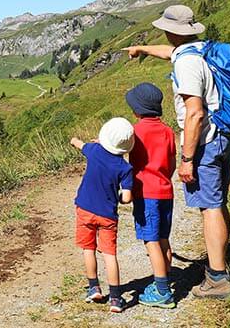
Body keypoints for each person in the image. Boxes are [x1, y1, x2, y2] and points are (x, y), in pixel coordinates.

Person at [123, 4, 230, 299]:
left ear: (170, 30)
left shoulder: (186, 64)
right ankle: (218, 267)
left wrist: (186, 159)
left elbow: (195, 113)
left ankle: (217, 279)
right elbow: (169, 51)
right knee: (217, 202)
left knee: (210, 206)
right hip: (225, 134)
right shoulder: (199, 49)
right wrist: (142, 49)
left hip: (207, 142)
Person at [71, 117, 135, 313]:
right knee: (109, 253)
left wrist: (74, 140)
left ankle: (94, 287)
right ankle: (115, 298)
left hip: (85, 209)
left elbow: (79, 144)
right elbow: (127, 198)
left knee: (88, 249)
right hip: (107, 215)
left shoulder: (94, 151)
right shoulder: (125, 168)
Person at [126, 82, 177, 308]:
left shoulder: (136, 131)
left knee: (151, 241)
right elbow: (172, 163)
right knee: (164, 238)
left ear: (138, 109)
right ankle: (164, 278)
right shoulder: (167, 131)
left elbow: (119, 151)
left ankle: (163, 291)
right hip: (166, 191)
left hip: (146, 193)